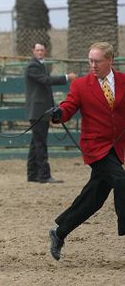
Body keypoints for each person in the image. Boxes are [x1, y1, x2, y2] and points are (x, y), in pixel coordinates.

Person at [48, 42, 125, 261]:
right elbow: (69, 106)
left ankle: (59, 232)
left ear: (109, 60)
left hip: (117, 147)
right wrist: (59, 113)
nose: (92, 65)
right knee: (121, 181)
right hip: (96, 148)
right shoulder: (81, 85)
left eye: (97, 61)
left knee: (94, 199)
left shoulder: (123, 81)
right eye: (90, 61)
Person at [25, 42, 76, 183]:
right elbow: (45, 80)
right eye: (38, 50)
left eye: (42, 50)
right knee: (40, 143)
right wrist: (66, 78)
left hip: (40, 111)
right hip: (37, 111)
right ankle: (44, 175)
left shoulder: (41, 65)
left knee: (36, 143)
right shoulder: (33, 66)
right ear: (33, 51)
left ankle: (32, 174)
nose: (40, 52)